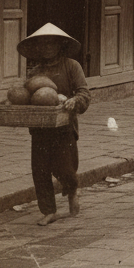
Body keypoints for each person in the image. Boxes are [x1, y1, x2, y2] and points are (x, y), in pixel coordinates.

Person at [17, 23, 91, 226]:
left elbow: (84, 93)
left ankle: (73, 188)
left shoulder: (71, 66)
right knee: (40, 170)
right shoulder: (35, 71)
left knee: (65, 169)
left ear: (60, 45)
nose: (47, 47)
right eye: (43, 44)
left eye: (51, 43)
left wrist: (74, 101)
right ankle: (48, 210)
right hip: (40, 129)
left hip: (64, 127)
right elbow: (28, 97)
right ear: (38, 48)